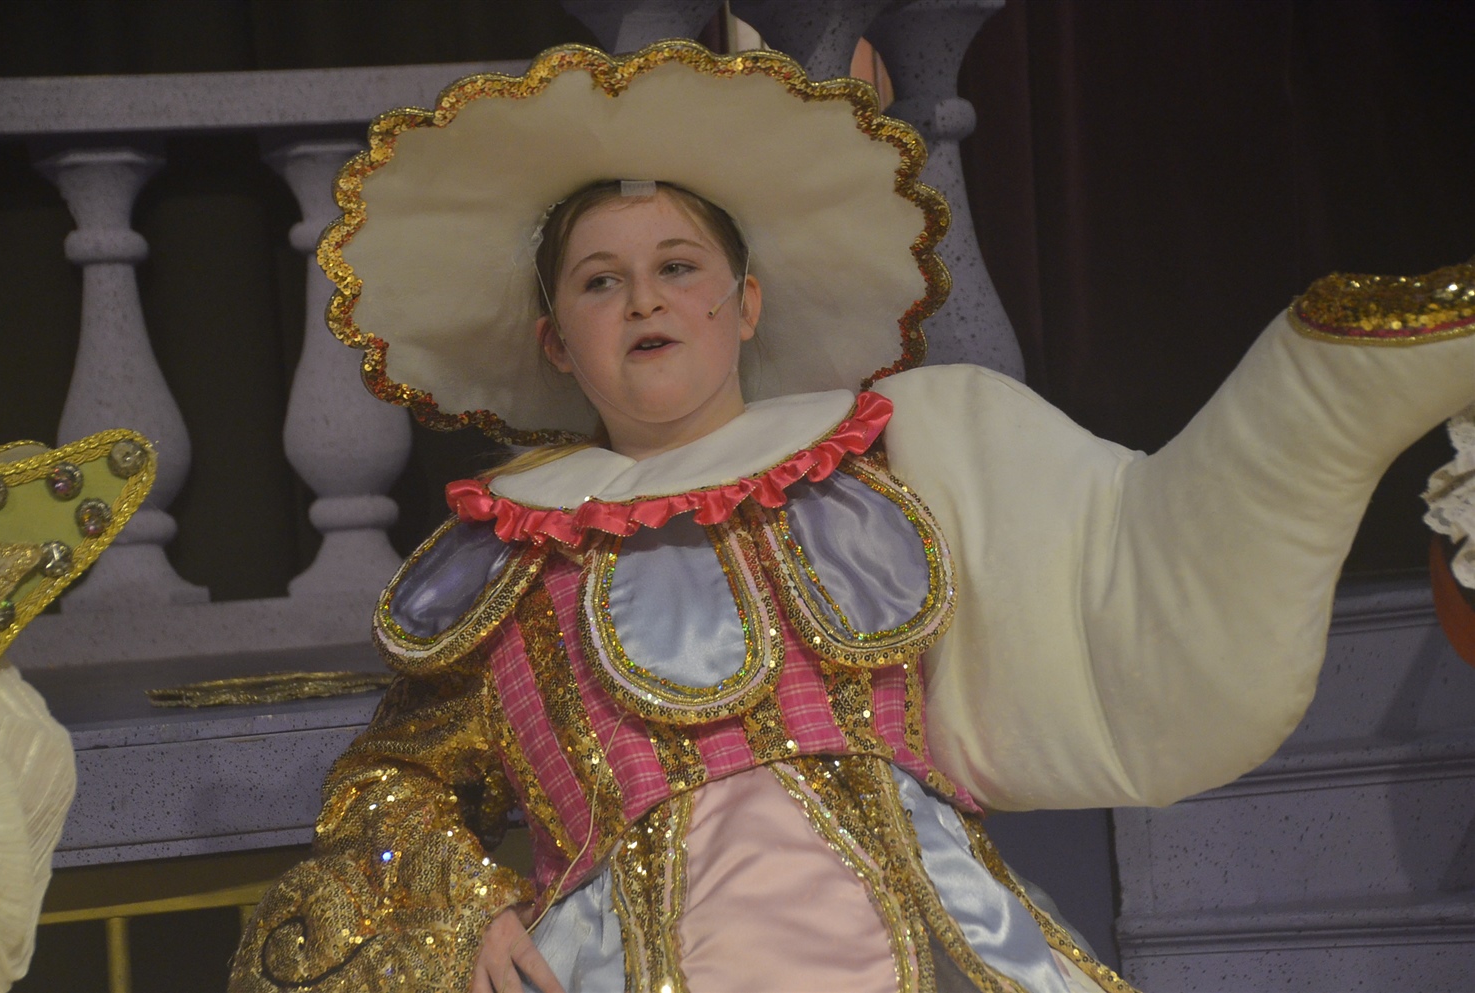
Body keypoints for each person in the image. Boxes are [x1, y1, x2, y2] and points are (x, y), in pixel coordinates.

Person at [229, 41, 1475, 993]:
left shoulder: (880, 465)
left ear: (744, 305)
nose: (644, 299)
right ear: (559, 340)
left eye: (677, 268)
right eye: (601, 282)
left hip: (925, 933)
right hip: (634, 954)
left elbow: (1118, 569)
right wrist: (466, 902)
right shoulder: (512, 551)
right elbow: (388, 780)